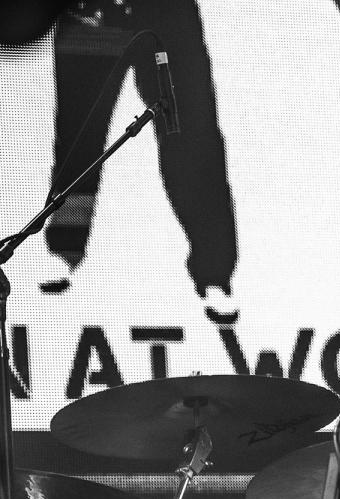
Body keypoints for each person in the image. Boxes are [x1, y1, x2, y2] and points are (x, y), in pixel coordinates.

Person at [39, 0, 239, 322]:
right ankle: (65, 245)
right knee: (78, 133)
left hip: (166, 12)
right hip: (88, 10)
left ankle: (215, 270)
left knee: (192, 134)